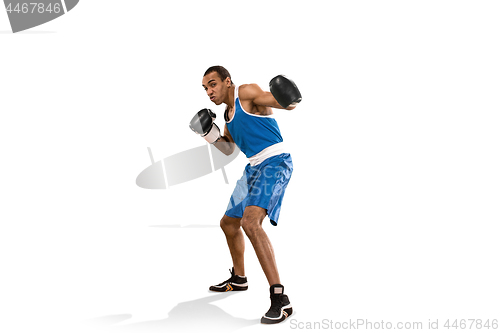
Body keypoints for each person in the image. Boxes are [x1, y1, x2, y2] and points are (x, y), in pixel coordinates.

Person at [189, 65, 301, 324]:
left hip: (275, 162)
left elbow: (286, 103)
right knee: (228, 223)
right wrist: (209, 134)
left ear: (228, 81)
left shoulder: (246, 93)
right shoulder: (228, 115)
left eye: (213, 84)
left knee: (250, 223)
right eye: (205, 88)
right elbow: (229, 150)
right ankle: (239, 279)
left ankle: (280, 299)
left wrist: (290, 97)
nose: (209, 91)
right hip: (253, 168)